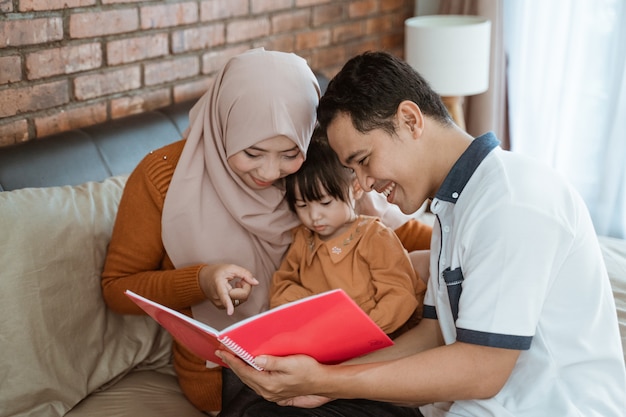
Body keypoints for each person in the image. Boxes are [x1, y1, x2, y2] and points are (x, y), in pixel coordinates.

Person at [217, 51, 626, 416]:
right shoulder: (455, 204)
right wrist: (322, 377)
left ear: (410, 120)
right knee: (255, 394)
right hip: (474, 405)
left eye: (363, 160)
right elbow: (433, 335)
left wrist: (326, 382)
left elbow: (483, 371)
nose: (362, 183)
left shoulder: (511, 201)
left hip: (550, 406)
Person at [101, 48, 431, 415]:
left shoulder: (318, 163)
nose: (270, 172)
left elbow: (381, 231)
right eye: (252, 152)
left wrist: (470, 242)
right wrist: (201, 281)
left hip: (343, 353)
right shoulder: (163, 177)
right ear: (225, 125)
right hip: (239, 369)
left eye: (290, 152)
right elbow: (117, 288)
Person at [271, 133, 426, 337]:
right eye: (302, 206)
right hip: (324, 335)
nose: (314, 216)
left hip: (377, 336)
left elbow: (399, 296)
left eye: (325, 203)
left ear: (355, 189)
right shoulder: (303, 239)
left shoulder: (374, 236)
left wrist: (359, 329)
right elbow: (280, 289)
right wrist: (317, 306)